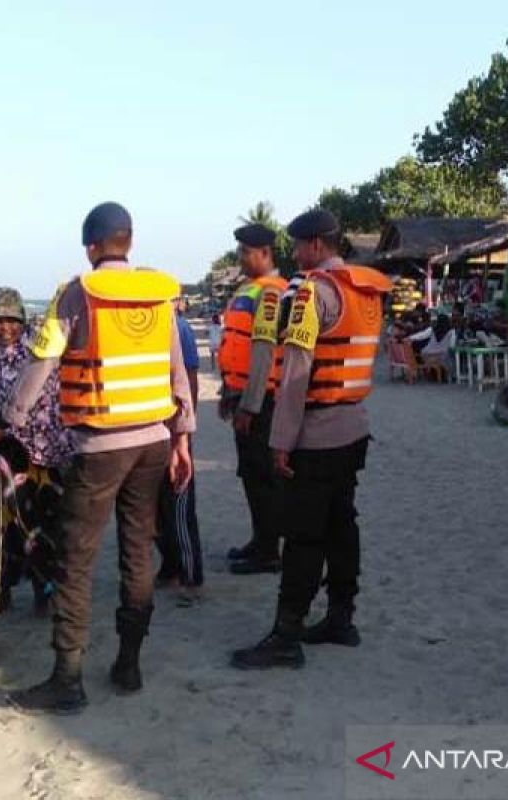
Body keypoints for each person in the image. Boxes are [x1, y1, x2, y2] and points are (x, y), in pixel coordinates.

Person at [0, 202, 194, 714]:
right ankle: (129, 664)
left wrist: (5, 422)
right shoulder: (160, 294)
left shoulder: (78, 293)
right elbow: (176, 371)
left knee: (75, 559)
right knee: (138, 551)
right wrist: (183, 436)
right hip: (154, 442)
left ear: (91, 247)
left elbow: (42, 362)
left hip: (99, 447)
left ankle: (67, 678)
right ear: (129, 243)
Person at [231, 208, 391, 670]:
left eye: (299, 245)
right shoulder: (365, 291)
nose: (295, 254)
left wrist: (281, 439)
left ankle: (286, 634)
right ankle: (342, 618)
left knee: (303, 535)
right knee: (343, 525)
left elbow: (297, 374)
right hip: (354, 427)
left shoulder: (311, 295)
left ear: (316, 245)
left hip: (317, 434)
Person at [0, 286, 74, 614]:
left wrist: (9, 428)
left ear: (22, 320)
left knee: (41, 522)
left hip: (38, 455)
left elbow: (45, 400)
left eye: (11, 320)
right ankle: (0, 591)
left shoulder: (37, 352)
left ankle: (44, 590)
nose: (5, 327)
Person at [219, 222, 288, 575]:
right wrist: (227, 392)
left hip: (262, 401)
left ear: (265, 253)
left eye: (246, 253)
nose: (241, 258)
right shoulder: (249, 290)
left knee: (262, 476)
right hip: (243, 394)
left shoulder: (272, 293)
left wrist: (249, 404)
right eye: (240, 252)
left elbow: (263, 354)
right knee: (251, 474)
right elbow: (236, 344)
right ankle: (261, 539)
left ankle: (269, 550)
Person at [155, 299, 203, 605]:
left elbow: (190, 378)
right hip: (149, 431)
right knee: (156, 508)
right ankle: (170, 565)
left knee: (180, 506)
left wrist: (184, 428)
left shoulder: (179, 327)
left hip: (174, 428)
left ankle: (190, 575)